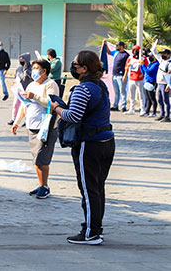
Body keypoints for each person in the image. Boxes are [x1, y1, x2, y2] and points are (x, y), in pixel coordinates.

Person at [51, 50, 115, 245]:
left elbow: (73, 116)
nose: (73, 67)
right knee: (98, 187)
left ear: (84, 69)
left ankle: (90, 232)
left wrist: (57, 109)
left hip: (90, 144)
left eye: (76, 65)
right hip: (107, 141)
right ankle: (96, 228)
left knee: (88, 189)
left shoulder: (83, 89)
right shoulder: (101, 86)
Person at [11, 59, 59, 199]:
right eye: (33, 68)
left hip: (45, 126)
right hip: (31, 125)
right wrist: (17, 122)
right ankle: (41, 184)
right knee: (36, 159)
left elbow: (52, 103)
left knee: (42, 158)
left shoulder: (50, 85)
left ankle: (45, 186)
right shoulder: (31, 85)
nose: (34, 71)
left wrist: (35, 97)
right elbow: (24, 105)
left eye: (37, 68)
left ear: (44, 71)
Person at [8, 53, 33, 126]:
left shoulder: (30, 69)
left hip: (26, 90)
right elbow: (15, 77)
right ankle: (13, 119)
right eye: (20, 59)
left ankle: (27, 120)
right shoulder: (19, 68)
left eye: (22, 59)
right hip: (18, 90)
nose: (21, 60)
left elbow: (33, 78)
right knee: (15, 105)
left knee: (26, 106)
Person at [123, 46, 148, 115]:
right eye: (134, 50)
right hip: (131, 78)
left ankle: (142, 109)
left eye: (137, 50)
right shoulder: (130, 58)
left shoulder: (143, 58)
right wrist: (125, 76)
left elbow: (147, 68)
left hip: (140, 79)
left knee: (141, 95)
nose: (135, 51)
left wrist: (142, 75)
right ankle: (131, 109)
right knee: (132, 95)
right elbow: (126, 67)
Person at [111, 41, 129, 112]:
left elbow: (127, 66)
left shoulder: (126, 55)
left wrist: (125, 75)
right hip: (114, 75)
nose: (116, 47)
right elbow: (109, 52)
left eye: (117, 45)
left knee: (122, 91)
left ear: (121, 46)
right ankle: (115, 105)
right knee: (116, 92)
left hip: (121, 75)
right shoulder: (116, 53)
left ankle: (123, 106)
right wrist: (105, 45)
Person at [140, 53, 159, 118]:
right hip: (146, 82)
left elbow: (149, 72)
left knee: (152, 98)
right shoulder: (150, 64)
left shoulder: (156, 64)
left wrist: (143, 65)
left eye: (152, 56)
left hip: (152, 82)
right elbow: (144, 72)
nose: (150, 57)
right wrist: (141, 66)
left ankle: (154, 112)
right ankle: (147, 111)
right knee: (148, 98)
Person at [154, 49, 171, 122]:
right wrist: (154, 45)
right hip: (159, 83)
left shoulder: (170, 63)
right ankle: (162, 114)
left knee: (166, 100)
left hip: (165, 84)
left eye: (164, 54)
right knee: (159, 100)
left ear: (168, 55)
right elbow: (155, 53)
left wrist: (169, 85)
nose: (162, 55)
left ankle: (167, 116)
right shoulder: (162, 61)